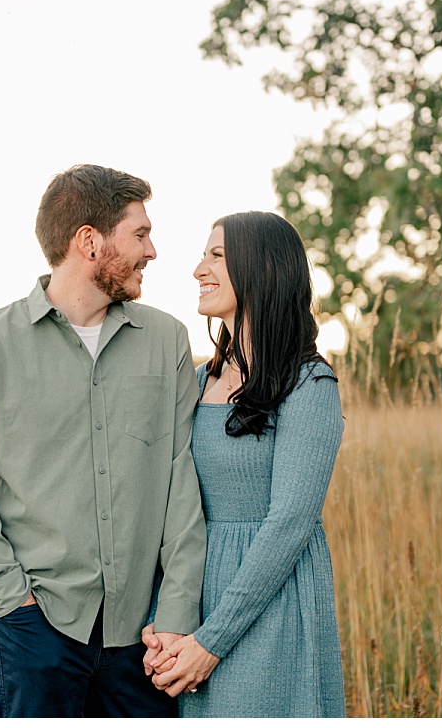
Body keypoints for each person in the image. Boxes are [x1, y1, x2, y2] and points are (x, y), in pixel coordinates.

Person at [0, 164, 207, 718]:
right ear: (89, 242)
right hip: (35, 629)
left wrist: (176, 611)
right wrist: (13, 604)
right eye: (140, 234)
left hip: (145, 636)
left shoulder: (167, 341)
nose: (152, 251)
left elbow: (181, 481)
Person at [141, 211, 346, 717]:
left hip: (267, 606)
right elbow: (170, 503)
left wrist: (212, 642)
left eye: (216, 256)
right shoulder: (195, 379)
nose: (197, 270)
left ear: (262, 269)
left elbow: (290, 524)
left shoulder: (309, 385)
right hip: (193, 600)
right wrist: (162, 616)